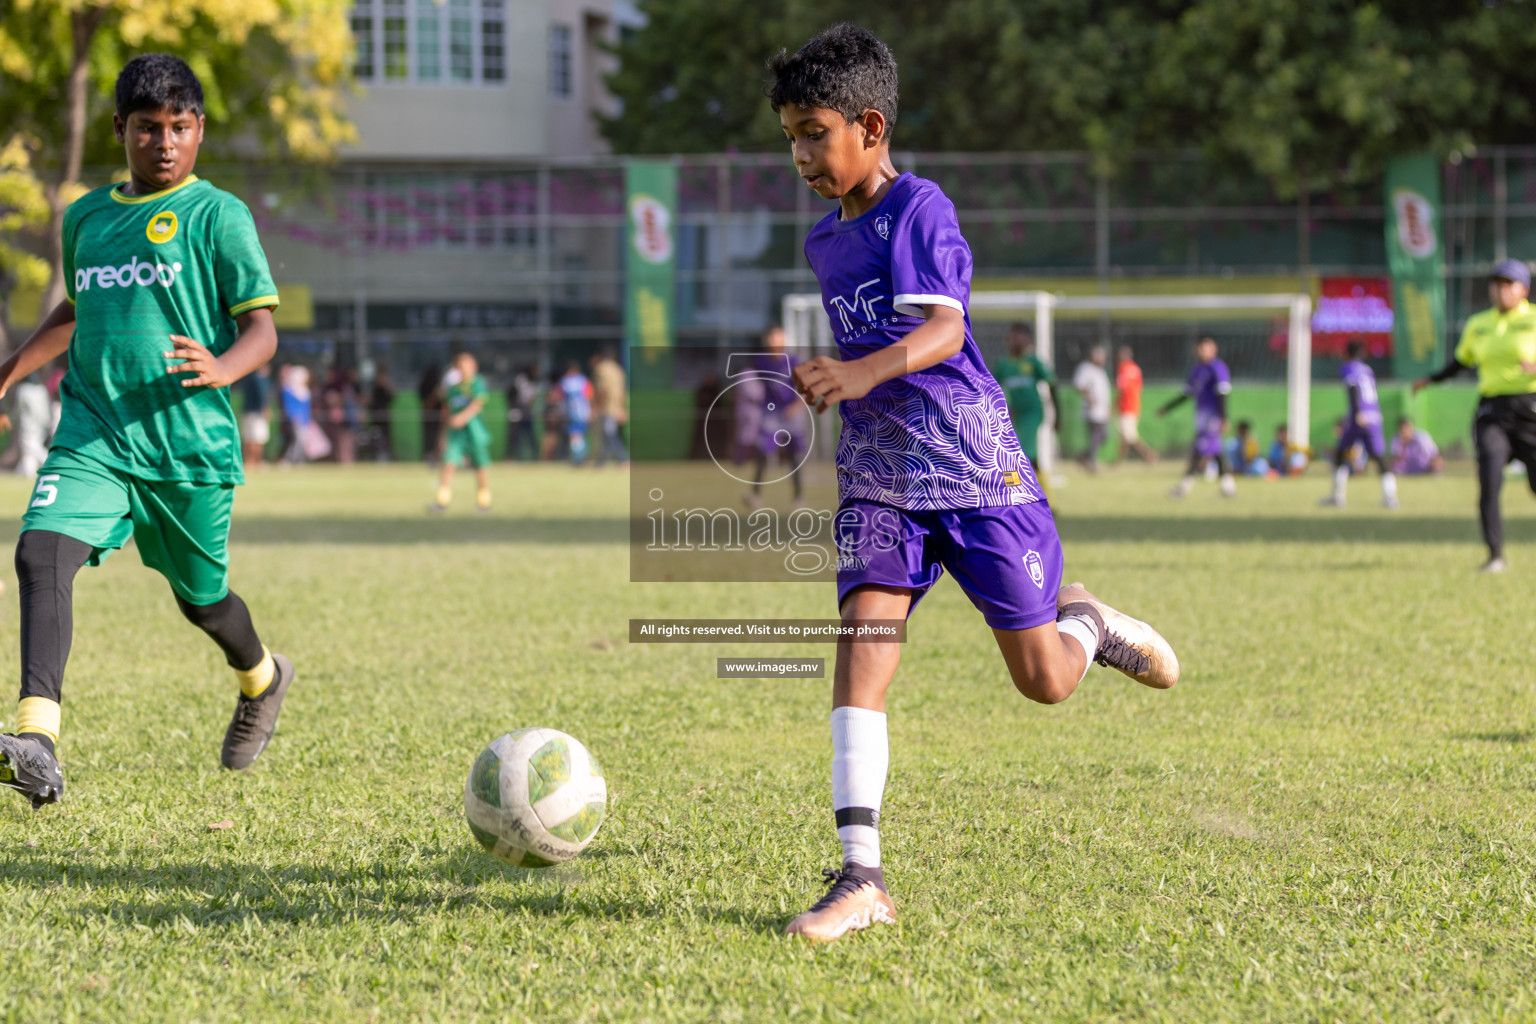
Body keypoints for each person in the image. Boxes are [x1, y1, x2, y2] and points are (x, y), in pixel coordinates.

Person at [769, 24, 1179, 943]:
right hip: (880, 478)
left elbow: (944, 334)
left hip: (974, 468)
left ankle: (1090, 622)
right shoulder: (822, 244)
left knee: (1043, 681)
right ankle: (860, 878)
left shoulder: (920, 206)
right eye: (790, 137)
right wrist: (831, 379)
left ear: (870, 126)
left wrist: (862, 372)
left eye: (814, 133)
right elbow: (868, 352)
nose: (800, 154)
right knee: (862, 645)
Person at [0, 54, 296, 807]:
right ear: (120, 130)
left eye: (180, 127)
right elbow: (77, 313)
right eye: (147, 128)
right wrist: (9, 370)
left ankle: (262, 676)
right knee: (40, 551)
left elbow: (261, 329)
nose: (164, 142)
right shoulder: (87, 218)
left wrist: (226, 368)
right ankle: (35, 740)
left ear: (198, 130)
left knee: (203, 601)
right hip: (96, 430)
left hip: (188, 447)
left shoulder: (217, 216)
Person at [1414, 258, 1536, 572]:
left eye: (1508, 283)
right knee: (1490, 480)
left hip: (1531, 411)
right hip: (1492, 411)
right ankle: (1495, 555)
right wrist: (1432, 379)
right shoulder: (1478, 324)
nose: (1500, 290)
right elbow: (1461, 361)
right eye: (1496, 283)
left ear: (1524, 288)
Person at [1319, 339, 1397, 508]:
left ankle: (1337, 496)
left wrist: (1357, 412)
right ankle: (1390, 497)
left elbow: (1353, 388)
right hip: (1375, 416)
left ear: (1347, 353)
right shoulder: (1368, 369)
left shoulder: (1348, 367)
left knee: (1340, 454)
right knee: (1378, 456)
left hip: (1359, 416)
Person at [1159, 337, 1236, 498]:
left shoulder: (1218, 368)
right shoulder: (1197, 370)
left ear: (1214, 349)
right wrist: (1168, 407)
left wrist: (1223, 418)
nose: (1202, 351)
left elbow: (1223, 394)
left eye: (1206, 348)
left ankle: (1183, 488)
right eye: (1200, 348)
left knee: (1199, 451)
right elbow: (1187, 394)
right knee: (1216, 452)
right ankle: (1228, 487)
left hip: (1212, 418)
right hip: (1201, 418)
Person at [745, 324, 811, 508]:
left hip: (791, 412)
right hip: (771, 413)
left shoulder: (793, 361)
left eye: (778, 336)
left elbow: (805, 388)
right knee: (762, 452)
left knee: (794, 456)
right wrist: (752, 397)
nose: (775, 340)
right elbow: (750, 382)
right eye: (772, 337)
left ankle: (799, 497)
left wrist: (796, 406)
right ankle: (754, 495)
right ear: (766, 340)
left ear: (783, 339)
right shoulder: (761, 361)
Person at [431, 351, 492, 513]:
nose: (465, 370)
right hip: (456, 435)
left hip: (474, 433)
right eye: (462, 367)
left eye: (468, 366)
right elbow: (447, 412)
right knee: (448, 464)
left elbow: (478, 403)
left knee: (481, 467)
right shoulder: (452, 389)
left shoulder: (477, 384)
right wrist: (443, 434)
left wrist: (462, 417)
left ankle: (484, 502)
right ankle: (442, 501)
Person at [991, 322, 1055, 467]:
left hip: (1032, 412)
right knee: (1017, 451)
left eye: (1021, 336)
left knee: (1023, 451)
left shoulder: (1032, 361)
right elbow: (993, 390)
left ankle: (1024, 485)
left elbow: (1052, 382)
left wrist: (1058, 414)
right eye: (1014, 336)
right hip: (1014, 414)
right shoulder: (1003, 365)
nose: (1017, 340)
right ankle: (1038, 486)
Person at [1072, 345, 1112, 473]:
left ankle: (1083, 456)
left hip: (1102, 410)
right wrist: (1089, 397)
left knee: (1104, 436)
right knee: (1095, 436)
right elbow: (1079, 385)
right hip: (1092, 409)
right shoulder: (1085, 368)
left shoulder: (1101, 371)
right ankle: (1092, 463)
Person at [1115, 345, 1156, 463]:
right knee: (1123, 436)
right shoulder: (1136, 368)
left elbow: (1121, 389)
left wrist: (1115, 404)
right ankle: (1119, 461)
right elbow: (1139, 387)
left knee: (1130, 436)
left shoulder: (1122, 368)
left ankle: (1149, 454)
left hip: (1125, 406)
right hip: (1134, 406)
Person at [590, 348, 629, 467]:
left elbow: (602, 389)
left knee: (609, 433)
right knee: (608, 434)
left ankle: (624, 459)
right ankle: (602, 461)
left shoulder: (601, 369)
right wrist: (623, 408)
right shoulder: (619, 370)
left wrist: (597, 405)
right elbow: (622, 392)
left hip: (606, 407)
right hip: (616, 407)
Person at [559, 361, 593, 466]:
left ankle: (579, 457)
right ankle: (581, 455)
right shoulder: (583, 380)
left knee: (574, 435)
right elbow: (590, 395)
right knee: (580, 434)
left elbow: (558, 396)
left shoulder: (564, 382)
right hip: (583, 412)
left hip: (570, 413)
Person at [238, 364, 272, 467]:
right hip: (256, 412)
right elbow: (261, 394)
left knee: (248, 438)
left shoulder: (248, 377)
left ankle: (248, 461)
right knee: (257, 439)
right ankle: (256, 461)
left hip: (247, 410)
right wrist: (265, 408)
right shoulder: (259, 378)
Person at [506, 365, 539, 462]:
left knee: (530, 435)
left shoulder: (534, 382)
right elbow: (511, 394)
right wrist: (513, 407)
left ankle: (535, 457)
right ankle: (511, 457)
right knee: (514, 435)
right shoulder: (520, 380)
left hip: (527, 412)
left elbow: (531, 399)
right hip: (517, 410)